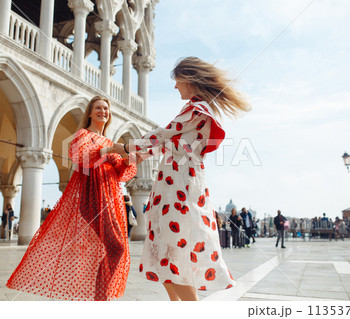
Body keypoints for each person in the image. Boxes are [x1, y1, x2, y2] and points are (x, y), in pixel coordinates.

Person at [101, 56, 250, 301]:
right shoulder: (194, 109)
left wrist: (123, 148)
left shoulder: (197, 109)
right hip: (173, 182)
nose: (175, 86)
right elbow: (171, 143)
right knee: (166, 250)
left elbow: (163, 136)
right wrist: (138, 154)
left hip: (179, 185)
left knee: (175, 250)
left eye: (177, 81)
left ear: (188, 79)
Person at [6, 96, 137, 301]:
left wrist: (131, 159)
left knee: (114, 247)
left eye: (106, 108)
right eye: (98, 108)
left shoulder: (109, 141)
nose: (103, 111)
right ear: (90, 113)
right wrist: (110, 150)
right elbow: (81, 157)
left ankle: (101, 295)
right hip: (93, 197)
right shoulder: (83, 134)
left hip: (110, 197)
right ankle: (101, 297)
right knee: (116, 246)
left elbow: (120, 172)